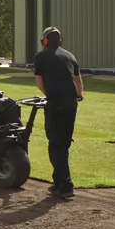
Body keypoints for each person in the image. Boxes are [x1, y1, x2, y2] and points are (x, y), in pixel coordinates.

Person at [33, 27, 83, 199]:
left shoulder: (40, 57)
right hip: (71, 103)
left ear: (45, 41)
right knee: (64, 143)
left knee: (56, 144)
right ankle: (58, 182)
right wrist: (78, 94)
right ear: (60, 41)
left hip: (56, 104)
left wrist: (52, 95)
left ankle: (66, 185)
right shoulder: (70, 56)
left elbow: (40, 84)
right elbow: (78, 80)